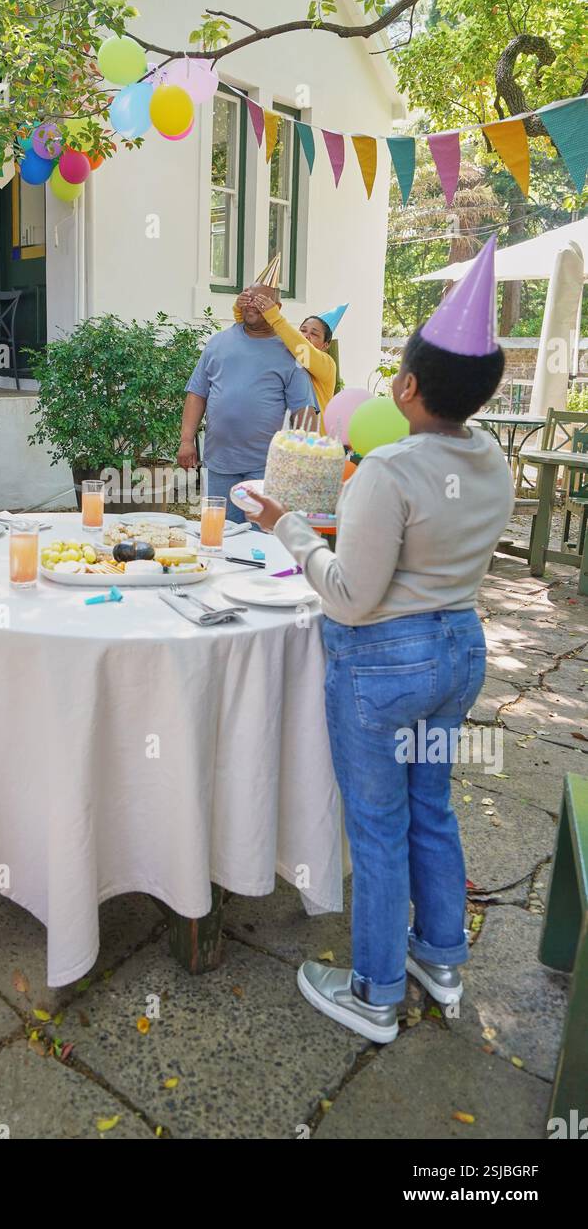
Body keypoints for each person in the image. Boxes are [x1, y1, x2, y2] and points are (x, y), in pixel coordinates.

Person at [242, 237, 514, 1043]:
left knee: (377, 824)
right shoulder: (492, 460)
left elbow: (350, 599)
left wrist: (286, 524)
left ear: (405, 386)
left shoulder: (390, 470)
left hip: (384, 664)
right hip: (459, 651)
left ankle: (373, 992)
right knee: (431, 808)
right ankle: (439, 957)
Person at [179, 276, 318, 526]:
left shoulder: (289, 351)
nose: (253, 304)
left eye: (262, 299)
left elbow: (304, 409)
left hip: (264, 468)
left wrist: (301, 456)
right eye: (249, 296)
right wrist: (187, 440)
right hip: (220, 463)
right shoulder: (218, 343)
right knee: (219, 533)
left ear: (277, 308)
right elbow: (197, 393)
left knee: (260, 538)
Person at [232, 255, 338, 415]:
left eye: (314, 334)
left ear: (325, 345)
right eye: (303, 330)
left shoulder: (327, 365)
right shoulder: (289, 352)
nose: (306, 335)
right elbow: (253, 334)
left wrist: (275, 317)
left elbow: (304, 352)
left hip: (314, 438)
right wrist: (241, 310)